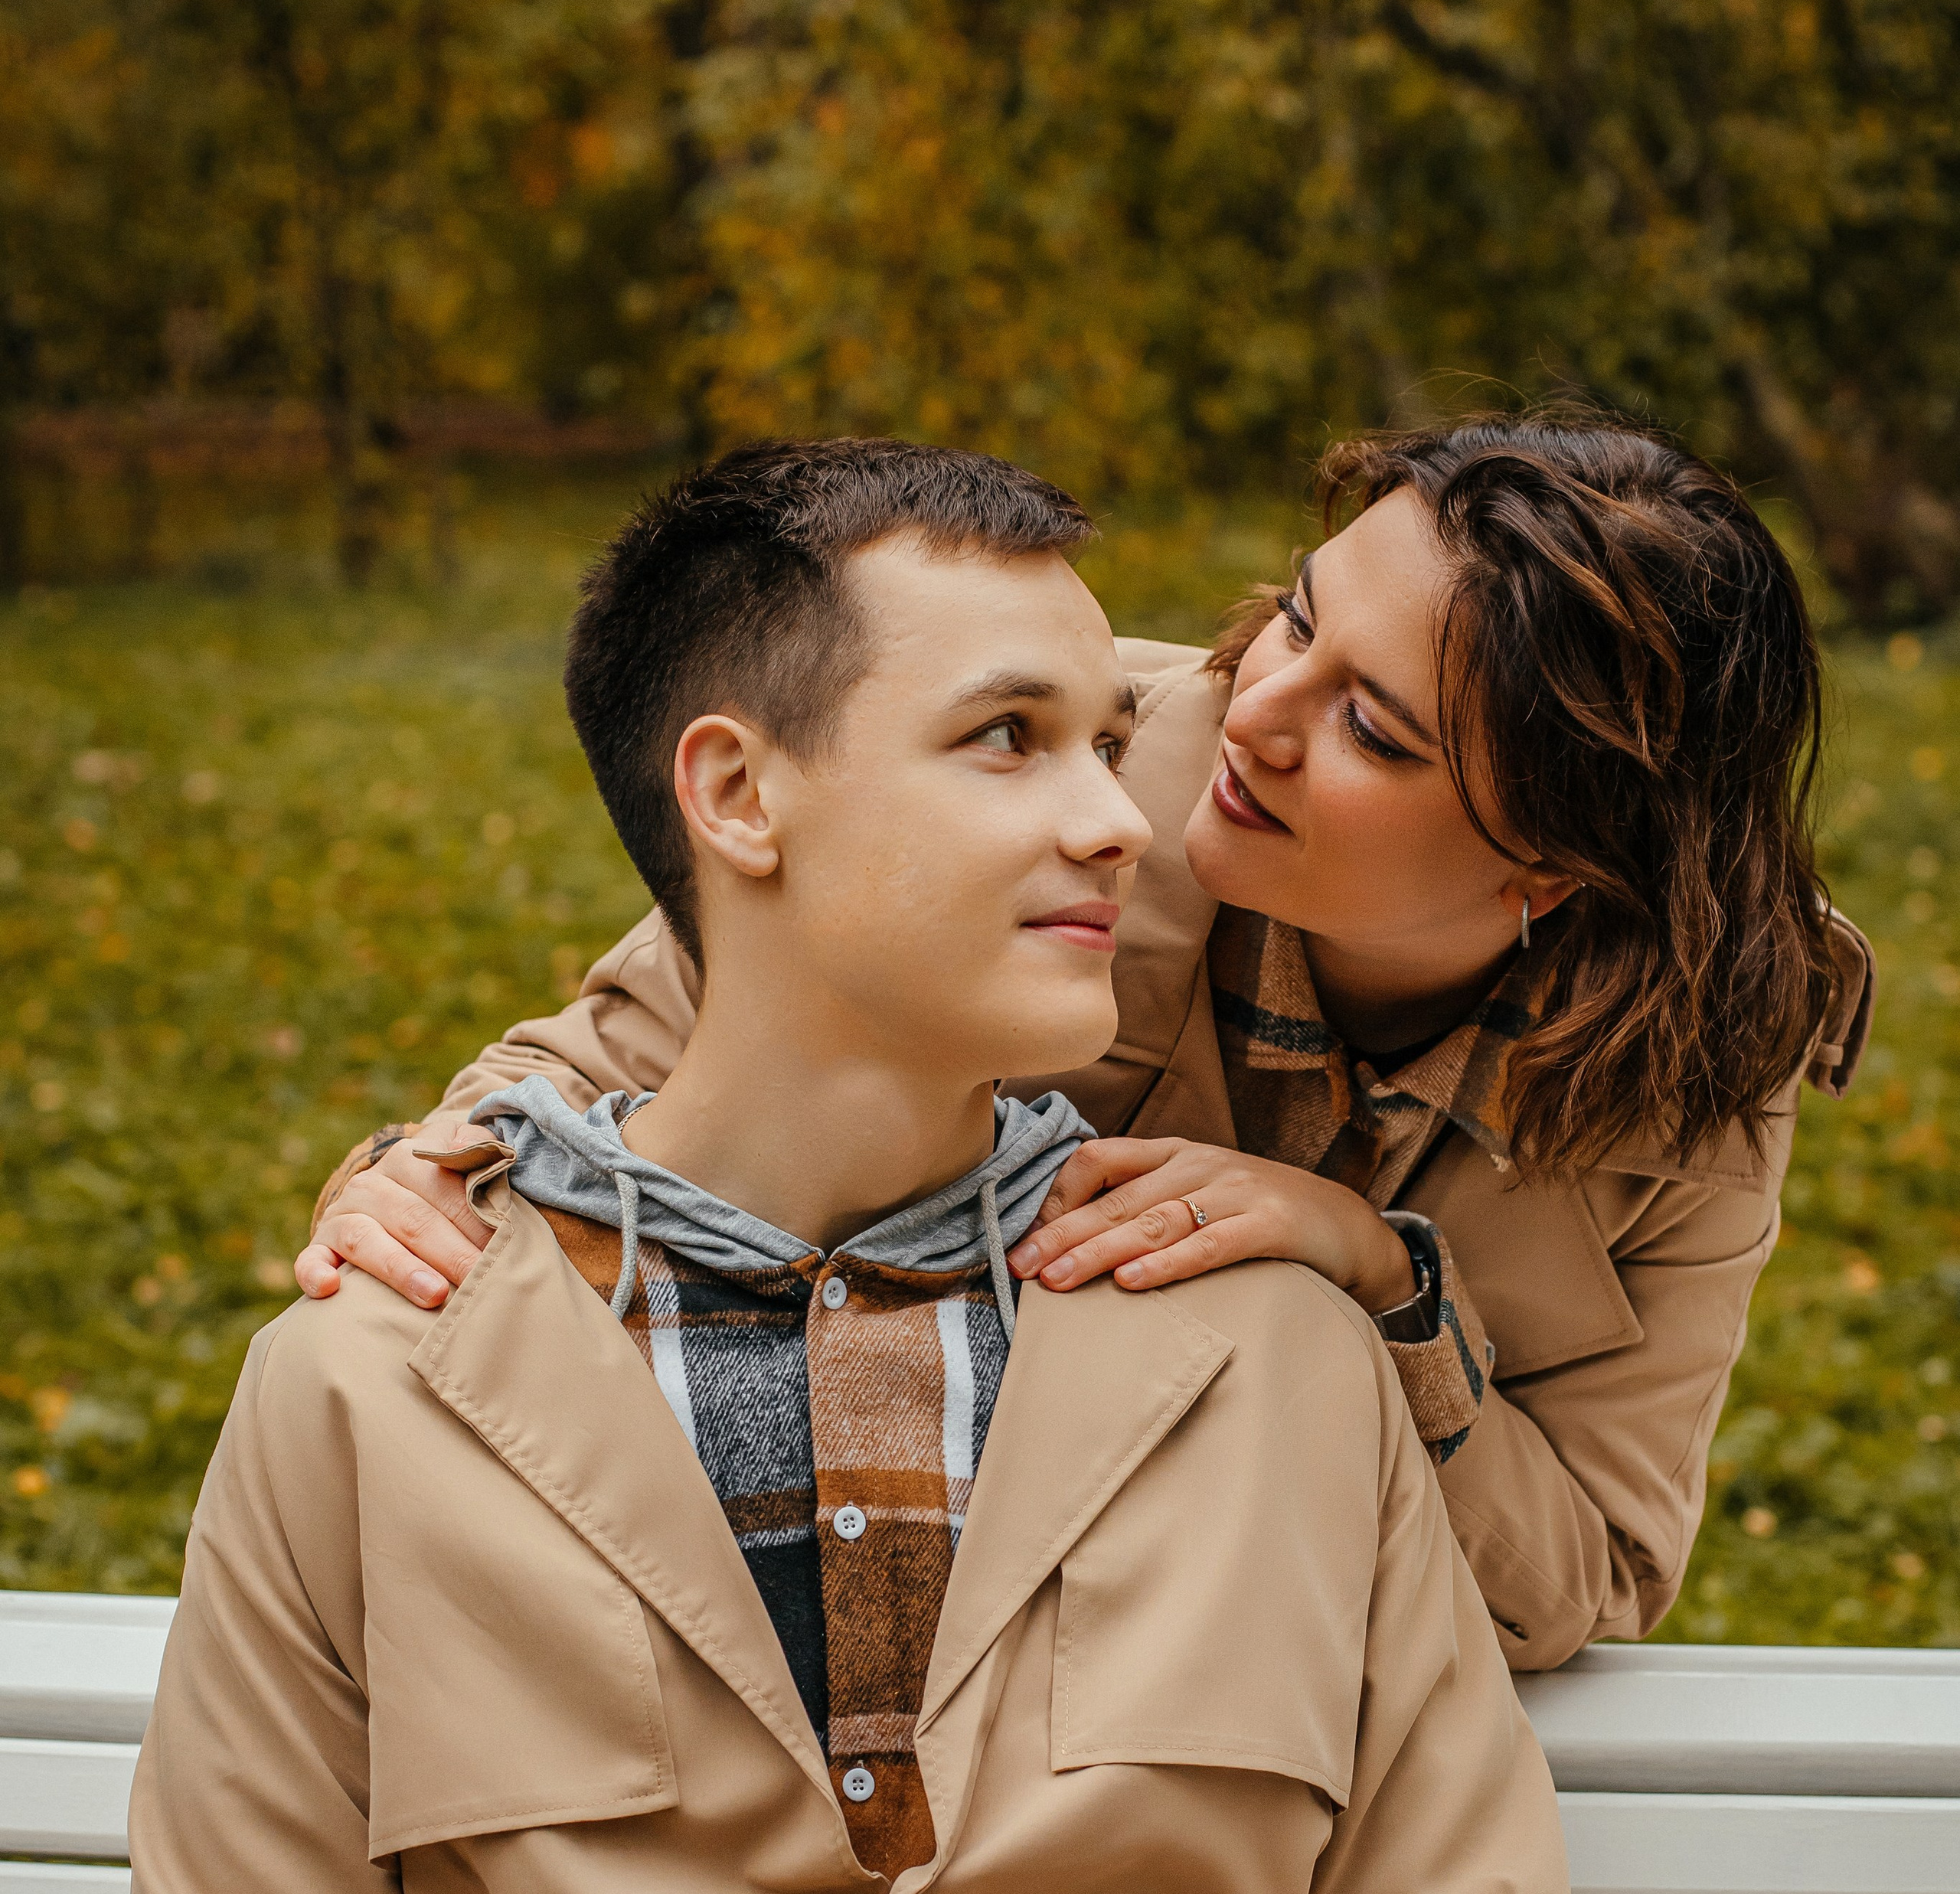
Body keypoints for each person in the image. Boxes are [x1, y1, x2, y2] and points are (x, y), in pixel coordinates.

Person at [106, 440, 1613, 1894]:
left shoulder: (1270, 1353)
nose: (1119, 822)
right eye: (1009, 740)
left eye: (1104, 742)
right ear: (737, 794)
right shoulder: (368, 1393)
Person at [302, 410, 1872, 1670]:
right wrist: (420, 1173)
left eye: (1372, 729)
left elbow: (1579, 1581)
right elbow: (631, 1047)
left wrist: (1373, 1279)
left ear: (1555, 863)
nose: (1257, 711)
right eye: (1298, 619)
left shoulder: (1698, 1057)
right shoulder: (1083, 773)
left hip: (1276, 1708)